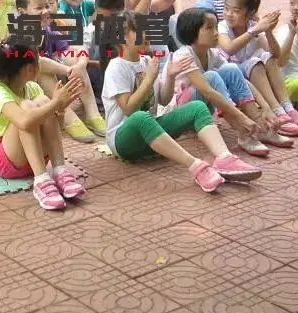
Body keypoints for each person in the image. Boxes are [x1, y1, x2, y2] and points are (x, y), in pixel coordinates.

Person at [103, 12, 262, 190]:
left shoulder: (147, 61)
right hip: (123, 142)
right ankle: (197, 167)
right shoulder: (116, 67)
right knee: (140, 117)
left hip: (151, 139)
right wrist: (148, 79)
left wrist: (170, 76)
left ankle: (225, 158)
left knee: (197, 107)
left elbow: (163, 100)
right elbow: (128, 109)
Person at [173, 7, 293, 157]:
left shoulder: (213, 54)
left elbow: (242, 81)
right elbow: (207, 91)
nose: (216, 33)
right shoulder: (184, 56)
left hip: (204, 108)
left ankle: (261, 128)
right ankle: (244, 133)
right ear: (191, 31)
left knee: (231, 68)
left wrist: (266, 108)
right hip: (182, 115)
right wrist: (242, 118)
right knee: (211, 76)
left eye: (216, 27)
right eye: (209, 28)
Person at [0, 43, 86, 210]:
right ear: (29, 69)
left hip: (32, 159)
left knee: (43, 102)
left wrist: (60, 108)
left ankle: (60, 169)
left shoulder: (33, 88)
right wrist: (55, 103)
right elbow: (24, 121)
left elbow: (56, 128)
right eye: (38, 61)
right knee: (28, 108)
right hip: (3, 161)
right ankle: (41, 180)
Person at [14, 0, 104, 142]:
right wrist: (68, 70)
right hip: (25, 89)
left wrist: (80, 64)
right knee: (41, 70)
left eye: (47, 6)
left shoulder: (47, 29)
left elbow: (74, 48)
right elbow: (36, 61)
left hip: (49, 84)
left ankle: (93, 114)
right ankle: (69, 117)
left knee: (75, 59)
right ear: (23, 12)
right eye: (39, 8)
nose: (45, 11)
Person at [219, 0, 298, 136]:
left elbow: (276, 55)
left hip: (252, 73)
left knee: (267, 57)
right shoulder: (223, 27)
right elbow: (229, 48)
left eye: (236, 11)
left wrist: (268, 31)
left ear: (250, 13)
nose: (229, 14)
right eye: (227, 8)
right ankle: (276, 110)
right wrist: (255, 31)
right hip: (231, 75)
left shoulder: (254, 26)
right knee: (255, 62)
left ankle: (287, 108)